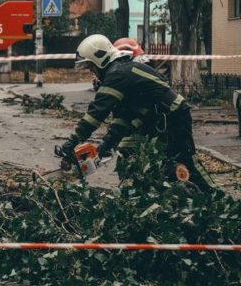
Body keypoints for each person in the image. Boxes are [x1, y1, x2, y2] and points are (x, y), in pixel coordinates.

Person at [59, 34, 211, 189]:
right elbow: (124, 118)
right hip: (155, 117)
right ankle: (151, 192)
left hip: (172, 116)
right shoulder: (121, 71)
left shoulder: (117, 74)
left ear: (100, 59)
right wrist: (107, 144)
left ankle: (211, 195)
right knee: (131, 151)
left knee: (183, 160)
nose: (93, 72)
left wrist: (73, 141)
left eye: (91, 67)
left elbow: (96, 113)